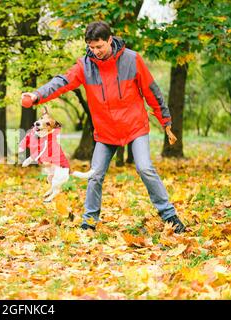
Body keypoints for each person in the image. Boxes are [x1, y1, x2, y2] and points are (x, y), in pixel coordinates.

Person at [22, 21, 186, 233]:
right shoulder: (85, 66)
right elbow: (61, 82)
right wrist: (37, 96)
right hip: (106, 132)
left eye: (99, 46)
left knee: (145, 167)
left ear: (110, 40)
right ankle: (89, 221)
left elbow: (152, 92)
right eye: (91, 47)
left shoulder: (132, 60)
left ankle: (169, 215)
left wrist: (166, 122)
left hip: (134, 127)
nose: (95, 52)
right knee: (94, 174)